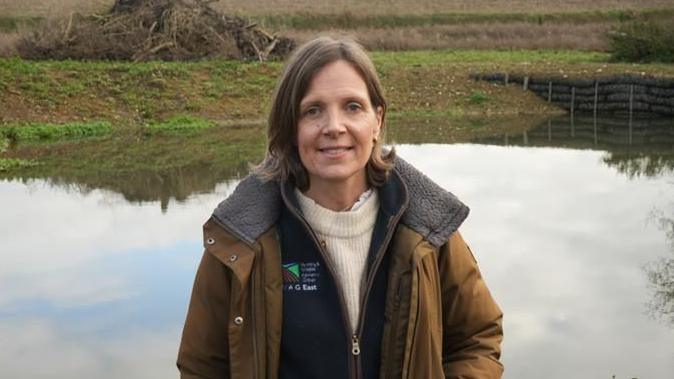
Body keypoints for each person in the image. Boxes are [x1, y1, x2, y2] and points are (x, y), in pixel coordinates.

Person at [177, 36, 503, 378]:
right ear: (290, 128)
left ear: (377, 121)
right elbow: (202, 366)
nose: (334, 127)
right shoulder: (241, 239)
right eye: (313, 110)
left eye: (352, 107)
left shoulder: (428, 228)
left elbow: (477, 338)